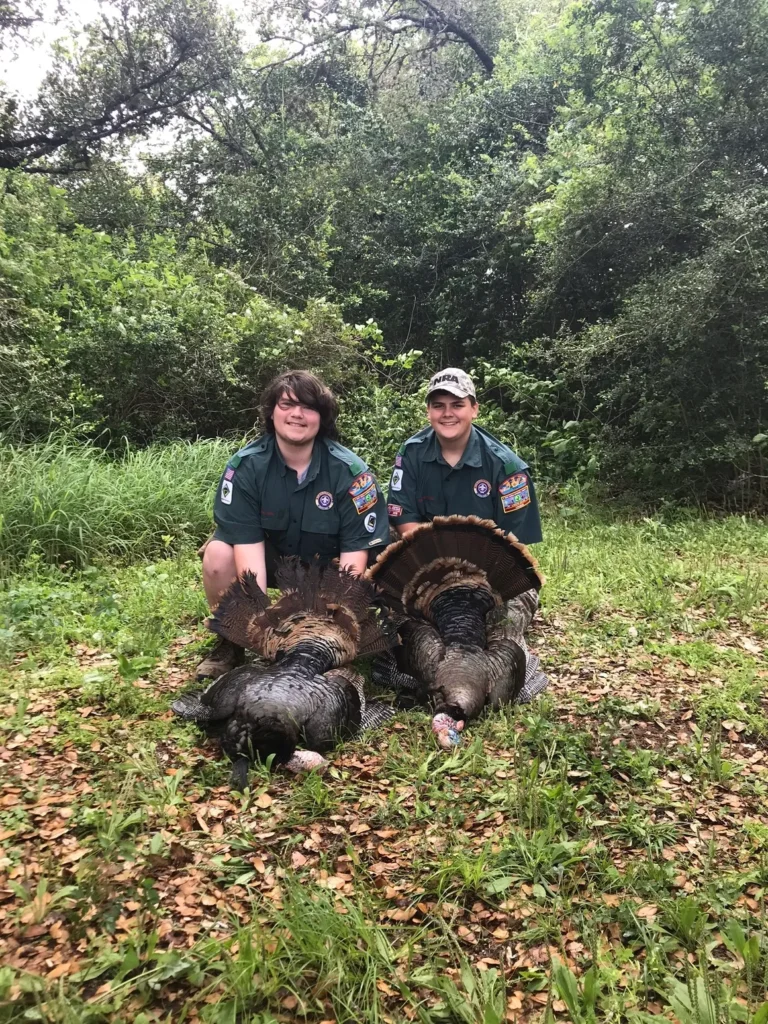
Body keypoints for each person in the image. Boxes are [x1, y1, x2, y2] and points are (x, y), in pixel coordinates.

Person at [197, 369, 390, 680]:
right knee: (218, 554)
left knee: (386, 561)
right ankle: (230, 643)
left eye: (309, 407)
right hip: (275, 562)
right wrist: (261, 630)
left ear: (322, 417)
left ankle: (379, 646)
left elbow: (354, 561)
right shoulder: (245, 468)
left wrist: (329, 632)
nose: (297, 414)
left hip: (330, 569)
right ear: (271, 413)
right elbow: (249, 559)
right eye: (286, 405)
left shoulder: (352, 473)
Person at [386, 368, 542, 546]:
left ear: (474, 409)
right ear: (428, 411)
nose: (447, 413)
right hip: (425, 552)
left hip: (487, 560)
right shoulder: (410, 453)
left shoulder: (508, 469)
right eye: (438, 406)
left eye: (457, 405)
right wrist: (440, 559)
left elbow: (514, 542)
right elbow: (403, 516)